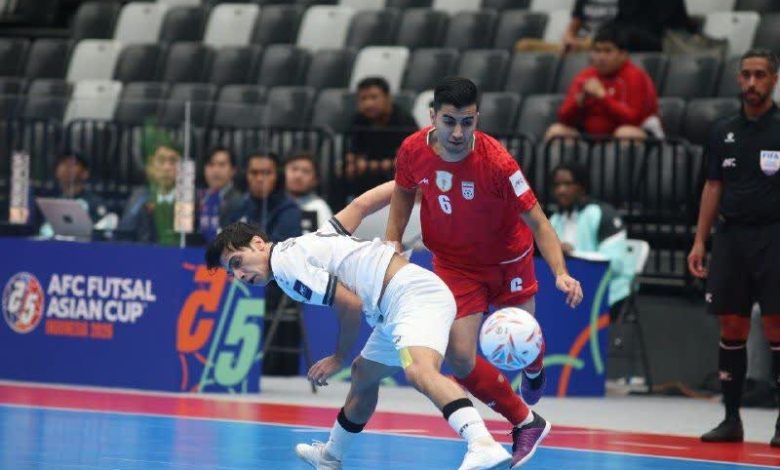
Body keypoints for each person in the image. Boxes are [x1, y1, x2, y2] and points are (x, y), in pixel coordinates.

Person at [206, 182, 513, 470]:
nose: (240, 275)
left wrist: (338, 357)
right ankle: (330, 457)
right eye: (231, 273)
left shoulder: (285, 265)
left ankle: (482, 443)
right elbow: (362, 205)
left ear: (258, 244)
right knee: (364, 374)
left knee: (419, 371)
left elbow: (350, 304)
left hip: (410, 296)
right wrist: (413, 183)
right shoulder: (306, 242)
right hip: (392, 306)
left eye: (237, 262)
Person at [386, 76, 583, 468]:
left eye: (467, 122)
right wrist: (392, 241)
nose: (458, 133)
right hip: (455, 265)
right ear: (433, 117)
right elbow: (403, 192)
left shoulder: (498, 163)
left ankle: (535, 368)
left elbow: (539, 221)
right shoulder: (412, 149)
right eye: (449, 121)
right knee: (460, 358)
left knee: (523, 343)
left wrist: (560, 272)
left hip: (507, 261)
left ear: (477, 117)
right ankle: (526, 422)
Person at [687, 49, 780, 448]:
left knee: (776, 326)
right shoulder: (723, 130)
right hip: (731, 237)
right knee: (731, 325)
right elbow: (713, 187)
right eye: (746, 74)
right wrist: (699, 240)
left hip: (774, 236)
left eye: (760, 75)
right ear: (739, 79)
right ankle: (730, 419)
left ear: (774, 80)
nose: (752, 82)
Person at [545, 23, 660, 141]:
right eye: (597, 51)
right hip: (590, 136)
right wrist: (579, 102)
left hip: (637, 134)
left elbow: (634, 119)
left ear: (623, 55)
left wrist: (602, 96)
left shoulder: (636, 76)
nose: (601, 57)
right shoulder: (585, 76)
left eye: (607, 51)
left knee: (625, 133)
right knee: (557, 131)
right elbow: (563, 118)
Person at [548, 162, 632, 320]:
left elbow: (616, 264)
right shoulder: (555, 219)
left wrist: (573, 253)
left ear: (582, 187)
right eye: (557, 185)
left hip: (607, 296)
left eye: (567, 184)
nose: (561, 190)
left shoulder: (602, 214)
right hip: (570, 296)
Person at [345, 76, 417, 198]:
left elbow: (411, 158)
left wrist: (374, 165)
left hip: (394, 175)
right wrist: (352, 162)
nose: (368, 104)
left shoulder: (403, 120)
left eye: (374, 97)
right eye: (363, 98)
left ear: (388, 98)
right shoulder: (358, 120)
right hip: (366, 172)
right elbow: (352, 152)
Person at [230, 151, 302, 242]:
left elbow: (281, 247)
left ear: (278, 176)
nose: (259, 179)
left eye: (266, 173)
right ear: (245, 175)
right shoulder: (238, 205)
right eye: (254, 172)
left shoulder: (289, 208)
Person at [118, 143, 181, 245]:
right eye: (161, 161)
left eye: (173, 161)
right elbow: (124, 236)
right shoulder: (139, 197)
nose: (167, 168)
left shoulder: (191, 200)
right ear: (151, 166)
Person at [37, 152, 108, 236]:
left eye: (73, 164)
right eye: (63, 163)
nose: (67, 168)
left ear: (85, 173)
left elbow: (100, 232)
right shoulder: (51, 203)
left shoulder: (95, 203)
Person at [515, 0, 618, 54]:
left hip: (605, 42)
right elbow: (574, 24)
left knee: (593, 43)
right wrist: (568, 38)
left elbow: (623, 30)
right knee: (524, 45)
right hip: (579, 42)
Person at [198, 147, 242, 242]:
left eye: (221, 165)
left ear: (233, 170)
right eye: (211, 164)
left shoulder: (240, 201)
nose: (216, 170)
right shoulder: (198, 198)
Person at [284, 152, 333, 230]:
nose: (298, 176)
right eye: (294, 169)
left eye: (306, 171)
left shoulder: (319, 208)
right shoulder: (272, 203)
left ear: (315, 180)